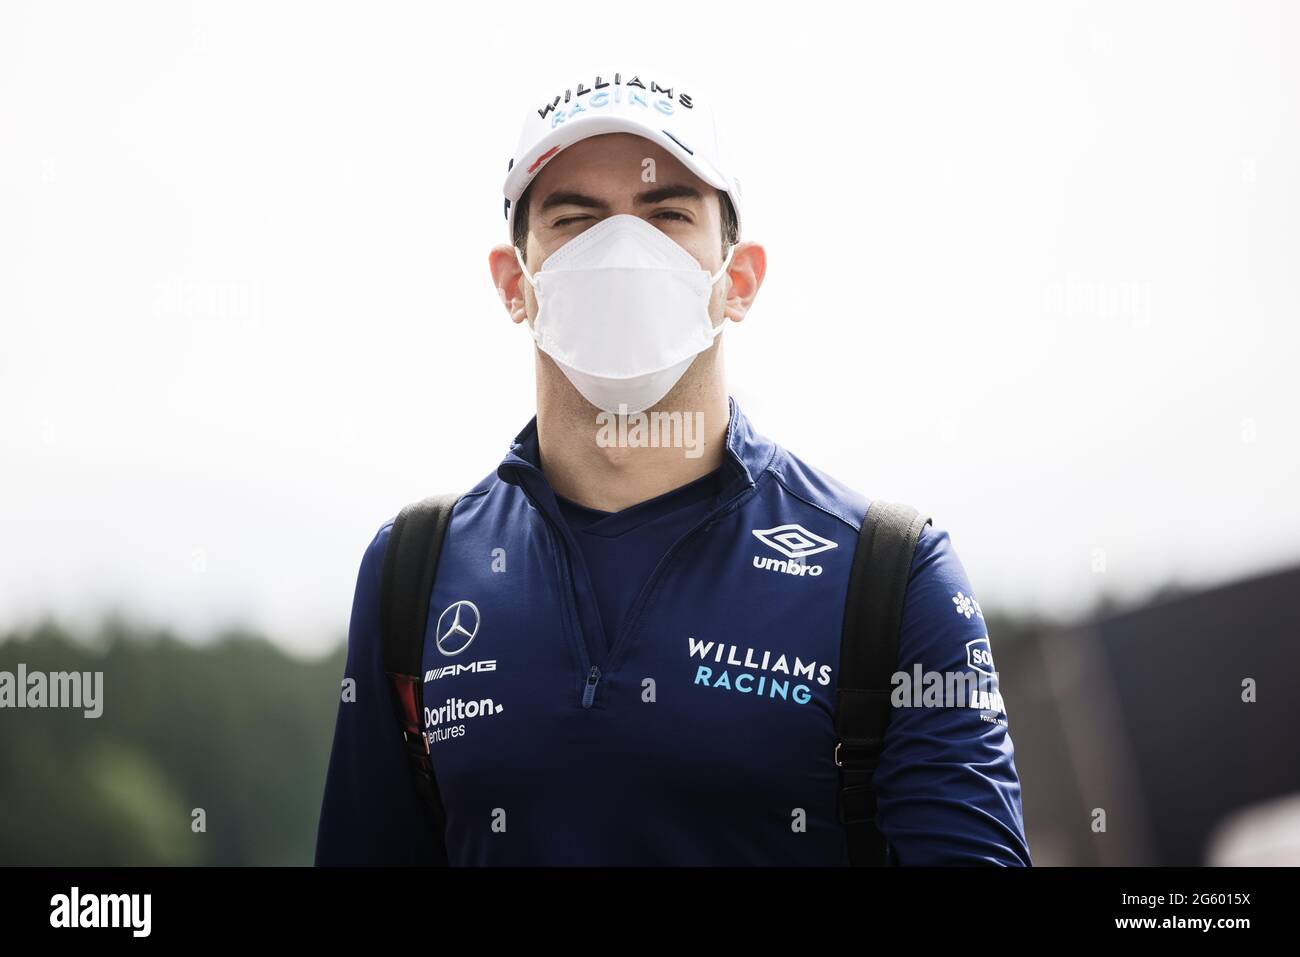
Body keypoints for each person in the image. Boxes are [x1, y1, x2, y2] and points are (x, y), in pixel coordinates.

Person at [314, 71, 1031, 866]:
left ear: (740, 279)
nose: (623, 252)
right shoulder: (412, 572)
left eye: (668, 215)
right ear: (516, 284)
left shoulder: (893, 579)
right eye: (576, 219)